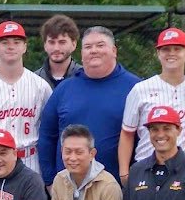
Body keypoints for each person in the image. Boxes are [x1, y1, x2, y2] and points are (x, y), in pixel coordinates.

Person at [39, 26, 141, 186]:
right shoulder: (64, 89)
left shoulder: (136, 88)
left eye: (100, 45)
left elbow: (145, 139)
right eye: (88, 47)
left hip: (118, 188)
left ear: (114, 51)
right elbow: (46, 136)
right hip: (68, 189)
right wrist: (49, 181)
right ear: (81, 54)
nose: (93, 50)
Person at [120, 27, 185, 182]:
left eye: (177, 49)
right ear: (158, 53)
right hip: (147, 169)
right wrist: (124, 172)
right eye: (165, 49)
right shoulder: (141, 89)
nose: (171, 53)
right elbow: (127, 133)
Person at [0, 21, 54, 172]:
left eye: (17, 42)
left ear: (24, 47)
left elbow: (50, 129)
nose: (11, 46)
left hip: (30, 160)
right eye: (5, 42)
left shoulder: (41, 86)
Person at [35, 15, 82, 89]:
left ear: (74, 44)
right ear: (45, 45)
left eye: (62, 42)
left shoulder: (85, 78)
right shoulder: (34, 80)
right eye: (51, 42)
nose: (56, 48)